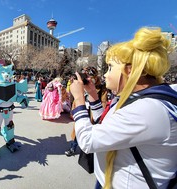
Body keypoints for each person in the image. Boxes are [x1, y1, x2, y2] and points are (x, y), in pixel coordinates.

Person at [70, 27, 177, 188]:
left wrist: (78, 98)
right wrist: (92, 95)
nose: (105, 74)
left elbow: (87, 140)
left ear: (131, 70)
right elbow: (106, 126)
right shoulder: (140, 100)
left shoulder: (148, 110)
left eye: (111, 67)